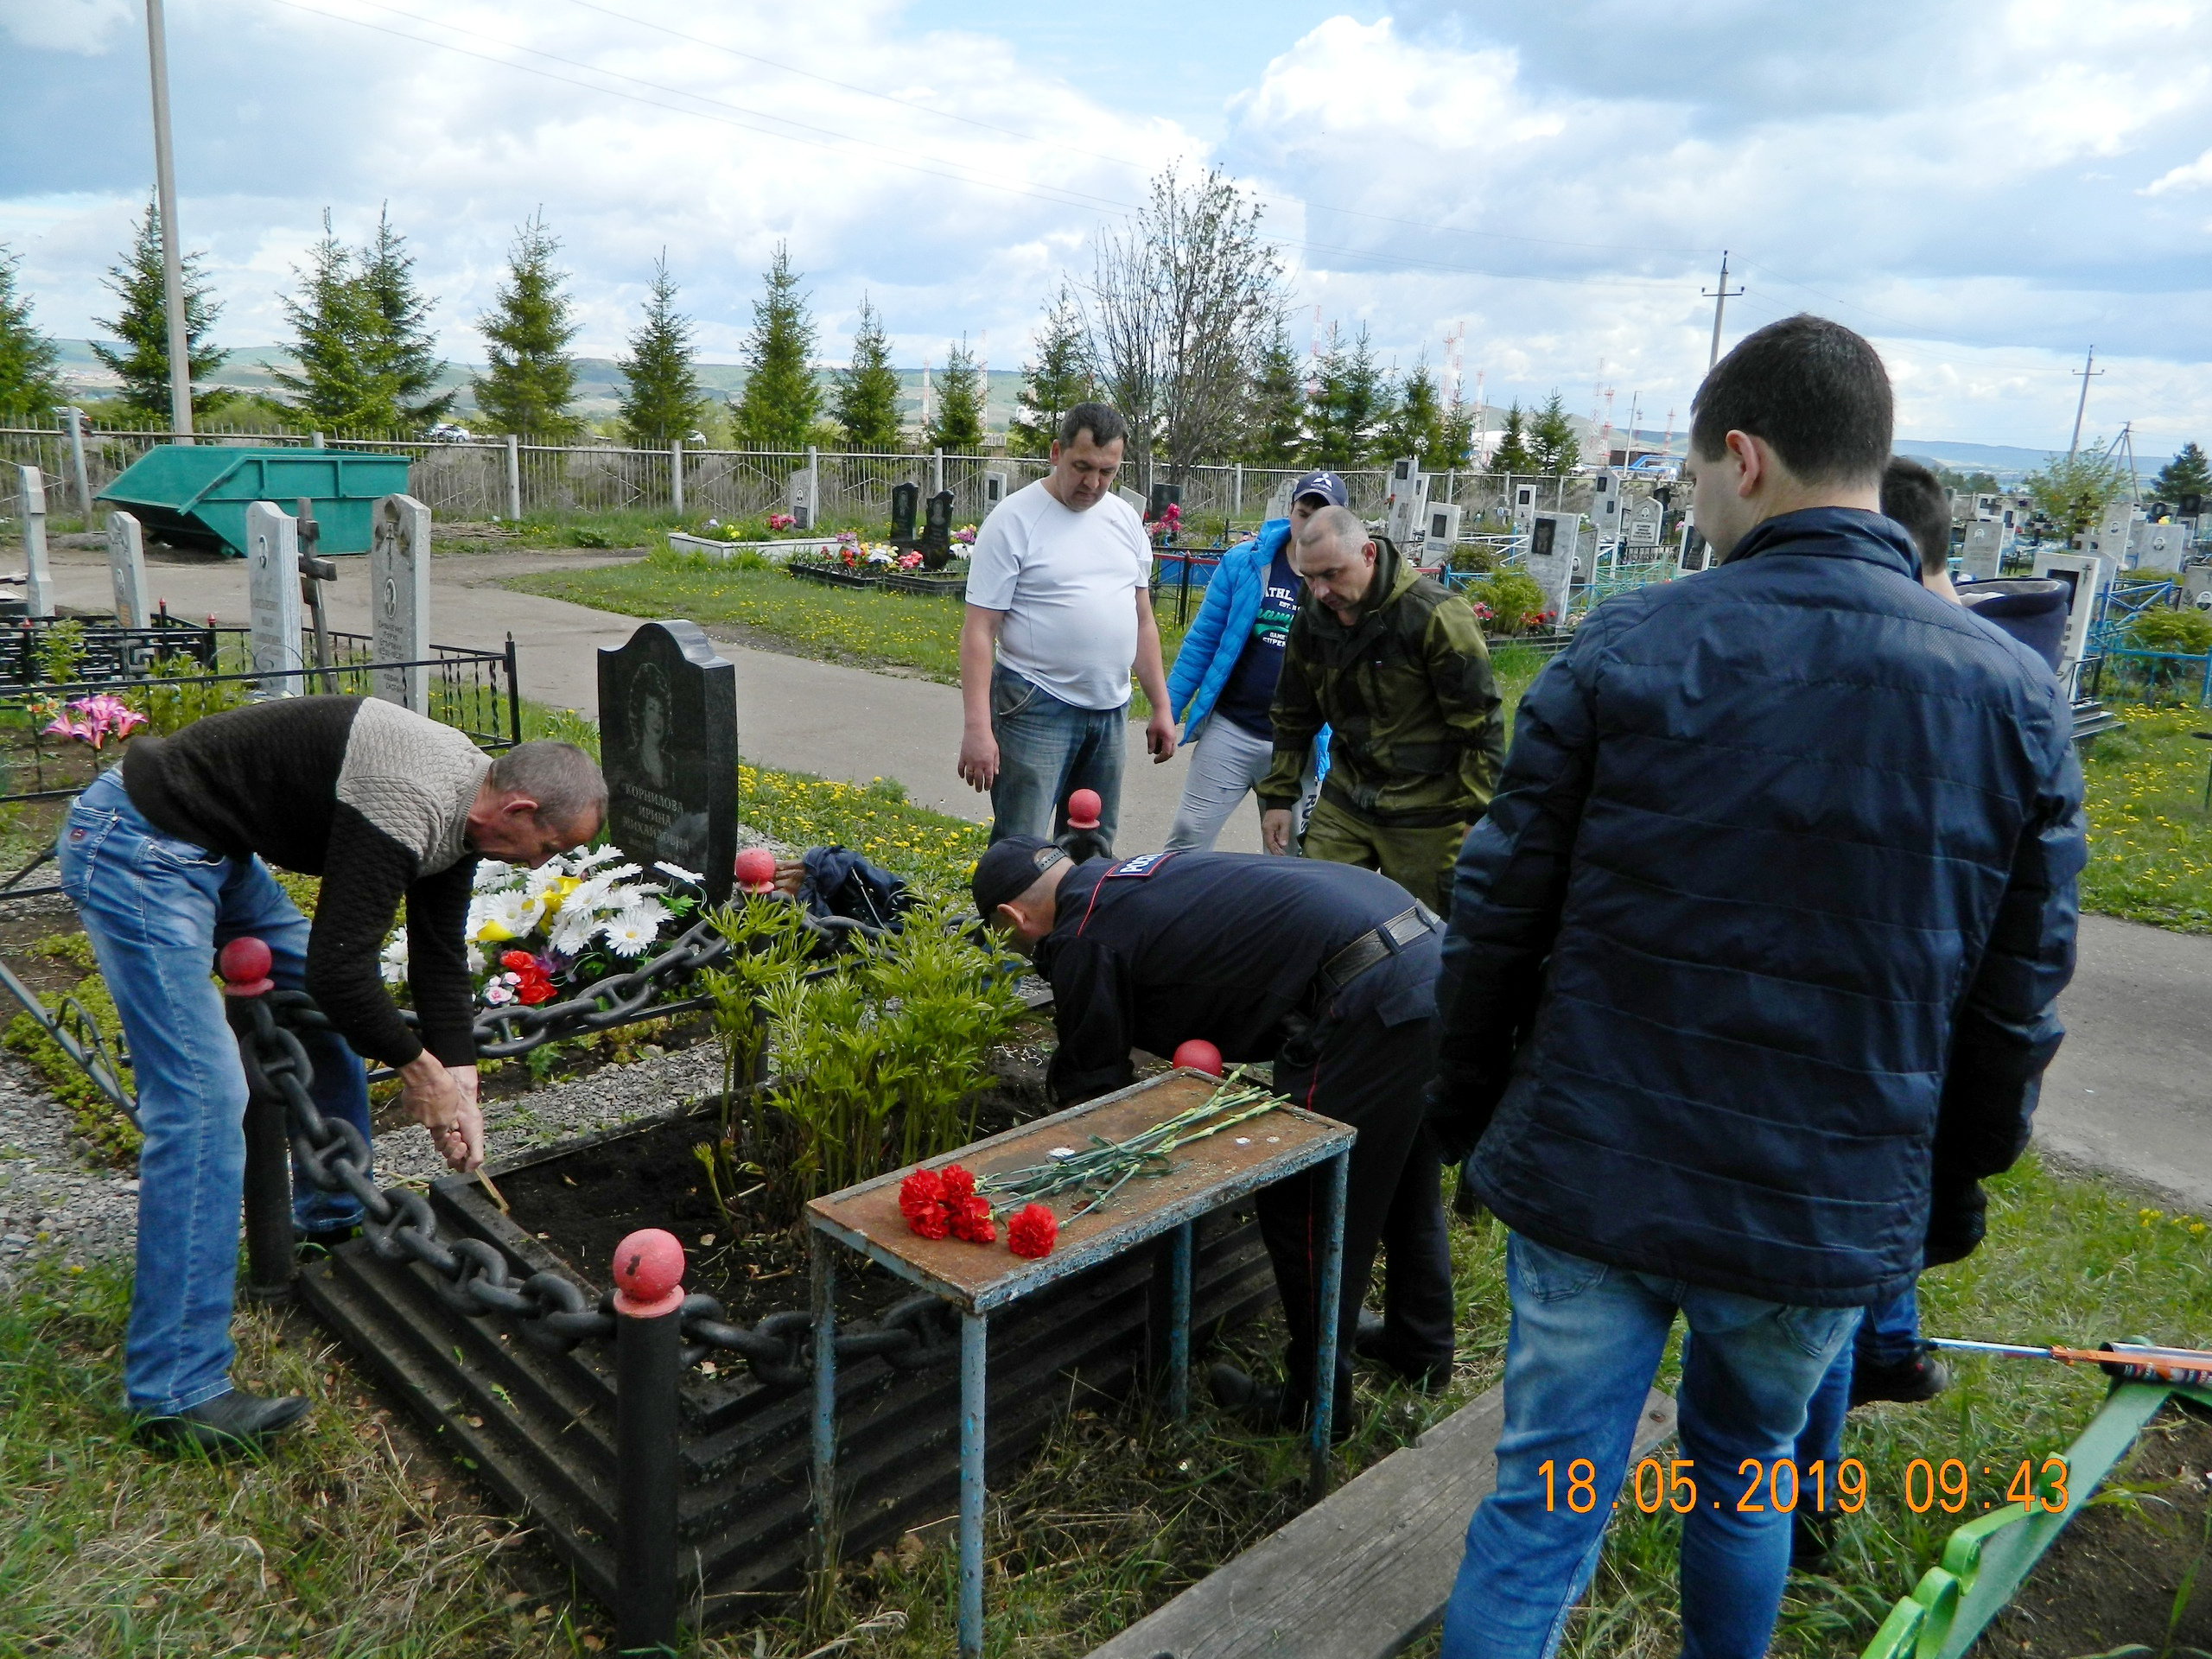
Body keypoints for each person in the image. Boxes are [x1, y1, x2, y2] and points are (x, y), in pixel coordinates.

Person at [1429, 315, 2084, 1658]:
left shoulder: (1625, 649)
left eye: (1688, 477)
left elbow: (1494, 920)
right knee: (1746, 1484)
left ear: (1746, 457)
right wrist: (1940, 1191)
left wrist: (1469, 1110)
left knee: (1546, 1502)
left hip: (1599, 1166)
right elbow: (2013, 1004)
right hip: (1819, 1193)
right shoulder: (2012, 700)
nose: (1691, 501)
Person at [60, 697, 606, 1453]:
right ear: (516, 806)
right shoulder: (412, 799)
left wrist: (462, 1080)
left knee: (329, 1032)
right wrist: (419, 1072)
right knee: (205, 1103)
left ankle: (328, 1222)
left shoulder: (466, 813)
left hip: (215, 847)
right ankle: (175, 1391)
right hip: (142, 845)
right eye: (547, 847)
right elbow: (342, 972)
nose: (541, 865)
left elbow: (437, 957)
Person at [972, 835, 1454, 1423]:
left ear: (1012, 917)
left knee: (1301, 1190)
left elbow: (1094, 1090)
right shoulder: (1133, 877)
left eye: (1013, 943)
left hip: (1369, 990)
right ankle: (1419, 1344)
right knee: (1405, 1166)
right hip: (1431, 952)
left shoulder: (1083, 931)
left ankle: (1315, 1407)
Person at [1258, 505, 1503, 912]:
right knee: (1310, 910)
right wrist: (1280, 797)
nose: (1320, 591)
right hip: (1348, 798)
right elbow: (1292, 713)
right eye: (1310, 577)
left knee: (1431, 932)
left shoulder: (1435, 616)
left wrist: (1481, 816)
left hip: (1429, 811)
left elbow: (1479, 724)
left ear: (1368, 554)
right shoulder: (1312, 620)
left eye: (1331, 574)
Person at [957, 403, 1176, 852]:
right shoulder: (1013, 520)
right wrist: (978, 728)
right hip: (1036, 703)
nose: (1093, 483)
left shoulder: (1124, 521)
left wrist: (1161, 705)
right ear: (1056, 452)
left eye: (1107, 471)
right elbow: (979, 630)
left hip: (1111, 710)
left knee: (1092, 846)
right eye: (1082, 467)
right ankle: (1010, 923)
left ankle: (1077, 924)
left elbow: (1141, 619)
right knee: (1023, 846)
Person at [1161, 471, 1347, 851]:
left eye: (1322, 516)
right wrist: (1168, 708)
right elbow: (1203, 641)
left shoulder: (1345, 581)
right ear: (1291, 510)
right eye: (1303, 511)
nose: (1309, 524)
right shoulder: (1245, 563)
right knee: (1187, 838)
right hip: (1231, 730)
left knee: (1289, 857)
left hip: (1299, 748)